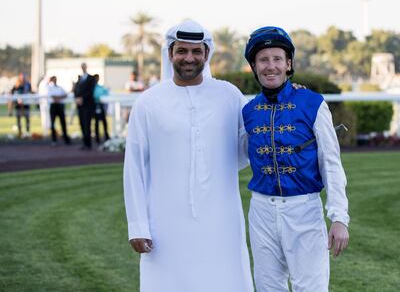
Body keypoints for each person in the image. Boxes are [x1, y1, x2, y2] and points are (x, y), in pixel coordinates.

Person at [123, 20, 253, 292]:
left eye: (196, 51)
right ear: (170, 54)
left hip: (221, 218)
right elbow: (134, 167)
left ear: (207, 54)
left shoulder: (229, 95)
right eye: (181, 51)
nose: (189, 58)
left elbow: (249, 146)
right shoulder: (148, 102)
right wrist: (137, 225)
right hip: (165, 221)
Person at [242, 26, 350, 292]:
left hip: (304, 210)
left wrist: (339, 217)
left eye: (277, 59)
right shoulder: (248, 111)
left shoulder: (312, 103)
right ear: (254, 66)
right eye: (263, 60)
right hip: (261, 212)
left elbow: (331, 163)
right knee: (268, 287)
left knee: (310, 288)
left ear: (288, 63)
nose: (271, 66)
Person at [73, 63, 96, 150]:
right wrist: (76, 98)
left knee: (87, 124)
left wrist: (82, 98)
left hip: (88, 105)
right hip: (80, 106)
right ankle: (84, 143)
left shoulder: (91, 78)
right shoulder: (79, 78)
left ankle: (88, 144)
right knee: (82, 124)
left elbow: (91, 91)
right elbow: (76, 90)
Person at [48, 76, 71, 145]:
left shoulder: (59, 87)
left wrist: (58, 98)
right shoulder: (49, 87)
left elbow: (65, 95)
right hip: (53, 107)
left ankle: (65, 139)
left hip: (60, 106)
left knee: (63, 123)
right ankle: (54, 139)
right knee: (52, 123)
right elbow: (52, 96)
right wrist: (60, 97)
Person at [9, 73, 32, 137]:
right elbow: (11, 93)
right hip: (18, 106)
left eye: (23, 77)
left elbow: (30, 92)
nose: (23, 78)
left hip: (26, 105)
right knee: (18, 119)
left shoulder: (28, 84)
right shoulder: (16, 85)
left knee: (27, 119)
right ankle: (20, 133)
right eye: (21, 77)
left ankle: (27, 132)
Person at [93, 74, 110, 145]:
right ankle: (97, 138)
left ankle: (106, 136)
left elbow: (106, 93)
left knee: (104, 122)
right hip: (95, 106)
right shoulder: (92, 87)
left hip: (101, 105)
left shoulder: (100, 87)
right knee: (96, 122)